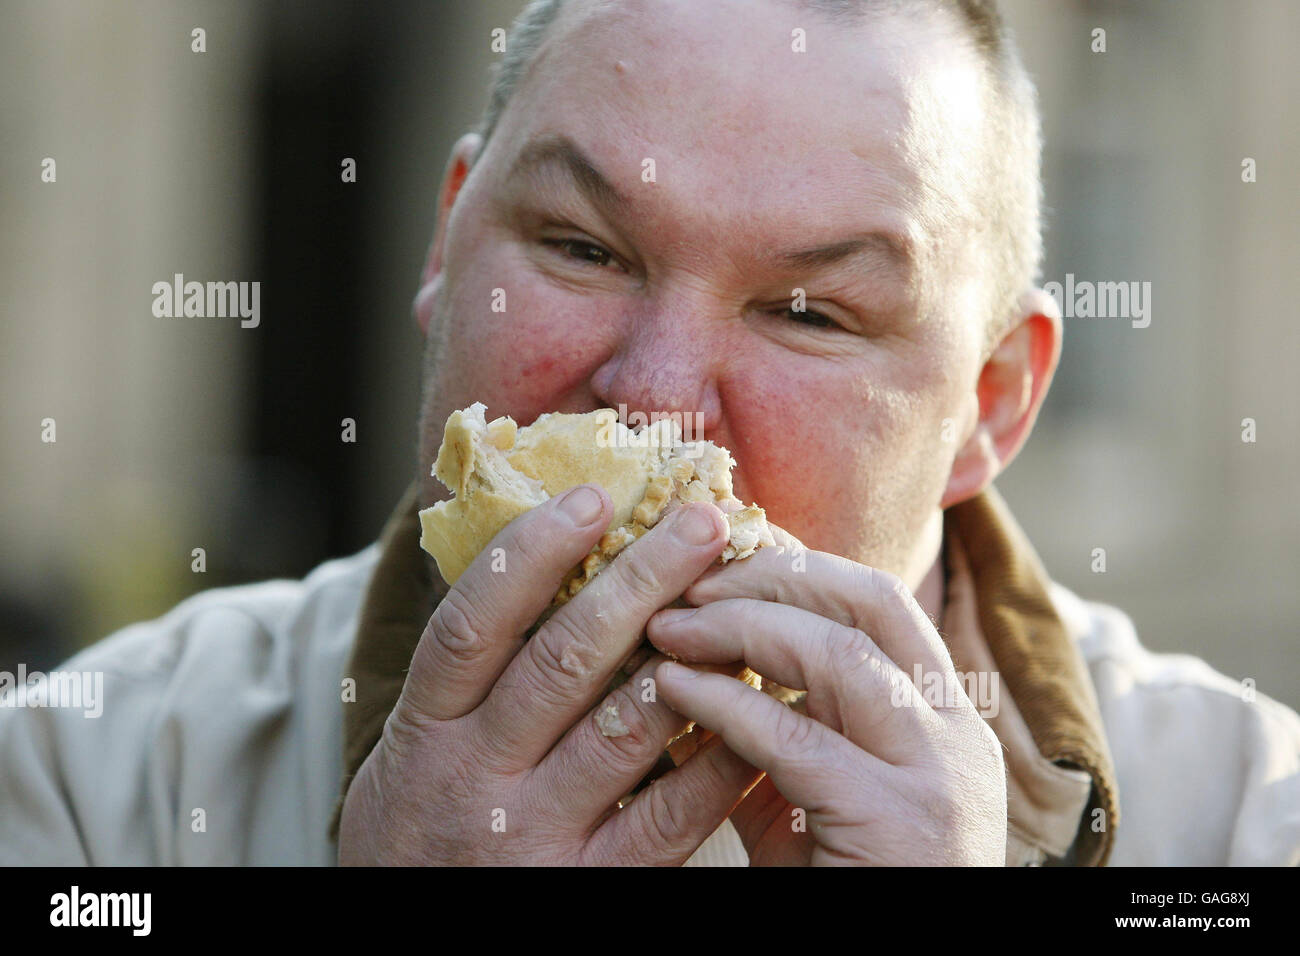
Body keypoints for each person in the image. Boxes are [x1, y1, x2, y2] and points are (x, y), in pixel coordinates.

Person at [3, 0, 1296, 867]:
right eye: (579, 247)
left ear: (992, 402)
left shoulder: (1247, 819)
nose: (658, 395)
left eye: (807, 312)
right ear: (448, 249)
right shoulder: (85, 783)